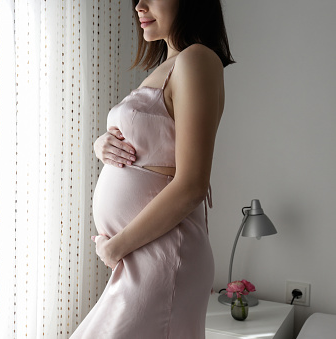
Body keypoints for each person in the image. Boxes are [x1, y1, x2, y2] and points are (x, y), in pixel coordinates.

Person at [70, 0, 234, 338]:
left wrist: (116, 247)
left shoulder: (197, 59)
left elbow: (192, 185)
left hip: (164, 250)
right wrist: (102, 145)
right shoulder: (171, 65)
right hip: (145, 250)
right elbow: (156, 142)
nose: (140, 5)